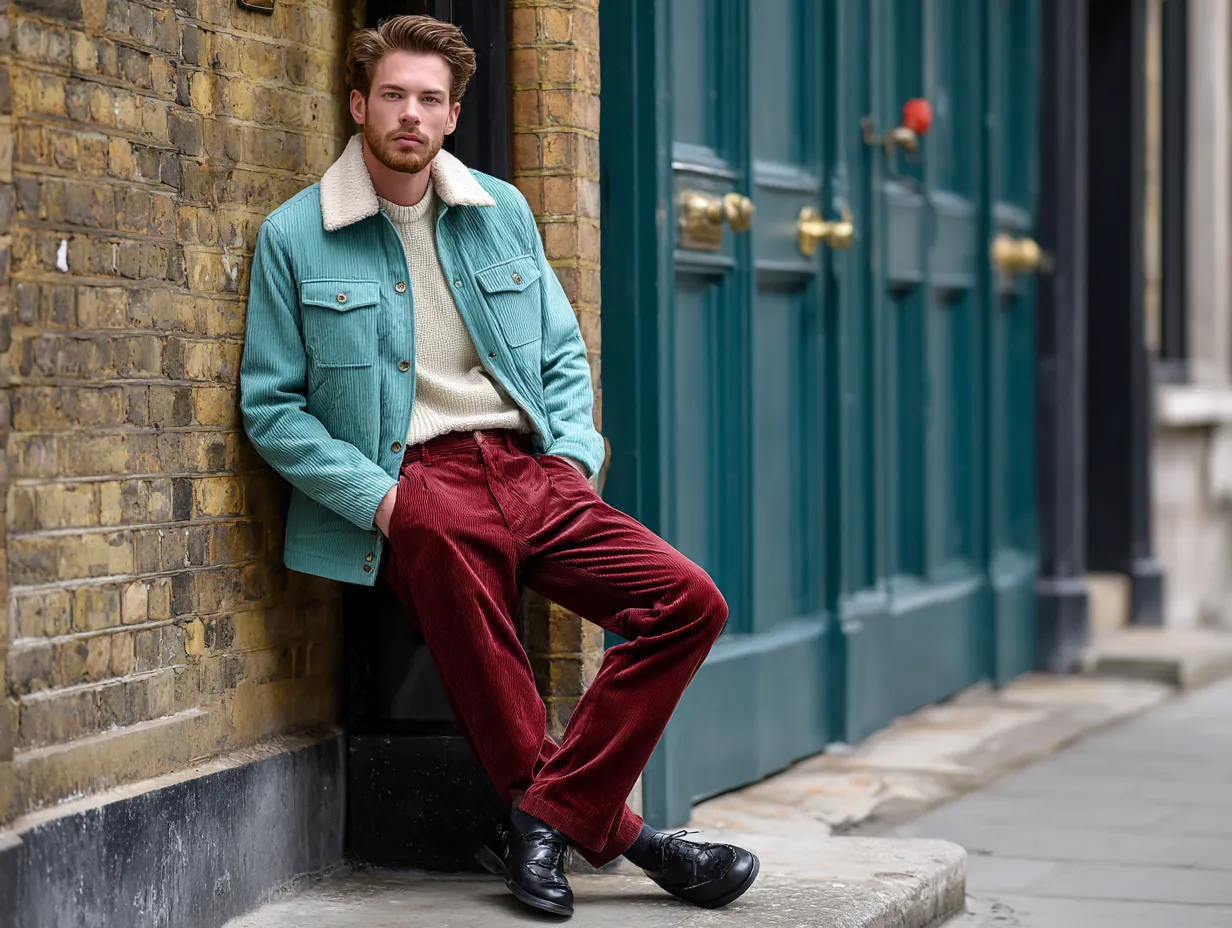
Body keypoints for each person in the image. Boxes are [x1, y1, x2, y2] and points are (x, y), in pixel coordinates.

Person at [239, 14, 759, 918]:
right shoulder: (296, 237)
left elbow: (561, 351)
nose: (410, 114)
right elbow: (271, 411)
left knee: (690, 603)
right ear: (359, 105)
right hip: (416, 483)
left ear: (451, 115)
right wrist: (385, 504)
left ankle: (541, 822)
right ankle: (635, 842)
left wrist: (569, 456)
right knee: (486, 644)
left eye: (429, 100)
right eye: (393, 95)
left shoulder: (502, 211)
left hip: (530, 469)